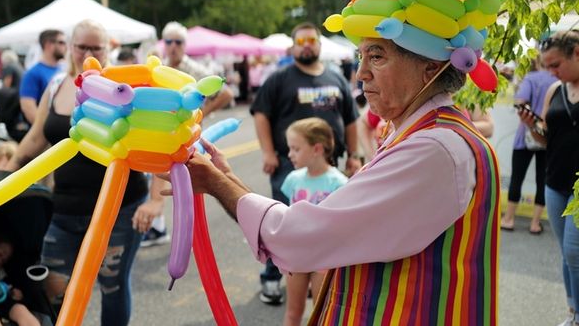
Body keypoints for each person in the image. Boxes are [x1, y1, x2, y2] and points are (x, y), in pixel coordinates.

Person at [184, 32, 499, 324]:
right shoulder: (427, 134)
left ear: (431, 69)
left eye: (376, 57)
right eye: (360, 56)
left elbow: (298, 236)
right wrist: (224, 176)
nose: (361, 73)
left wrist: (215, 181)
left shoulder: (433, 148)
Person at [5, 19, 162, 326]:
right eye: (82, 46)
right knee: (53, 288)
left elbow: (155, 145)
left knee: (112, 287)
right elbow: (37, 138)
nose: (88, 52)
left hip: (118, 209)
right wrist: (7, 173)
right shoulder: (55, 86)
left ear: (108, 49)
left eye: (96, 47)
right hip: (62, 210)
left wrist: (155, 201)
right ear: (70, 47)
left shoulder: (129, 90)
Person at [249, 21, 360, 305]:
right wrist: (268, 152)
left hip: (329, 168)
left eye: (311, 39)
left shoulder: (336, 79)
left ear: (320, 44)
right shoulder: (280, 78)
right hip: (291, 167)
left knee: (324, 226)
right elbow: (260, 113)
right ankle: (273, 277)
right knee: (282, 224)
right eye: (301, 41)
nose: (307, 44)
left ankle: (317, 278)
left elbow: (350, 119)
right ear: (293, 47)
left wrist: (355, 156)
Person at [142, 22, 237, 247]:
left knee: (185, 182)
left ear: (185, 45)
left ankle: (187, 235)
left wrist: (202, 113)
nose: (173, 46)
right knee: (158, 175)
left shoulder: (192, 69)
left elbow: (225, 93)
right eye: (169, 41)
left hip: (185, 135)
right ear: (163, 44)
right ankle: (159, 226)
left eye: (178, 42)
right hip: (162, 130)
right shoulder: (160, 68)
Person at [518, 30, 579, 326]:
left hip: (578, 188)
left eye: (556, 65)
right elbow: (546, 138)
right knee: (567, 255)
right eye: (548, 66)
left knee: (573, 250)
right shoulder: (556, 90)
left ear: (576, 53)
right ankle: (572, 311)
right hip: (555, 180)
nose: (552, 72)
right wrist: (531, 127)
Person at [279, 118, 347, 326]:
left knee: (322, 313)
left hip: (324, 257)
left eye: (296, 149)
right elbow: (287, 216)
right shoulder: (293, 179)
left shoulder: (339, 183)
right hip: (297, 254)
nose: (290, 154)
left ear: (317, 148)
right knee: (293, 311)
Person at [501, 56, 556, 234]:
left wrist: (531, 119)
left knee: (517, 177)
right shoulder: (560, 81)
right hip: (549, 137)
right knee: (543, 180)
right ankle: (535, 223)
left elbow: (520, 102)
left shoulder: (530, 79)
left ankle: (508, 219)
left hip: (525, 135)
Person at [19, 30, 66, 124]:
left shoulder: (63, 70)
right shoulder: (32, 73)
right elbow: (28, 108)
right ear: (48, 45)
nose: (65, 46)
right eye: (61, 42)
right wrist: (47, 131)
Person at [0, 50, 28, 142]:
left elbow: (7, 84)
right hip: (21, 98)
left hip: (13, 99)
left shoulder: (9, 68)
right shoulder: (19, 67)